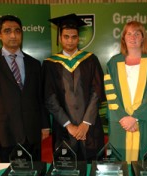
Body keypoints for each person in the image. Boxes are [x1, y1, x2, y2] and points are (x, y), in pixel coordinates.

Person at [0, 15, 50, 163]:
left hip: (32, 132)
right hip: (6, 133)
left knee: (35, 172)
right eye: (7, 31)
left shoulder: (34, 64)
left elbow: (40, 98)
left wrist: (44, 125)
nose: (13, 35)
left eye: (17, 31)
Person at [42, 13, 105, 162]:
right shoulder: (50, 64)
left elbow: (97, 91)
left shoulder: (90, 60)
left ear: (78, 38)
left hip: (89, 129)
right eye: (66, 36)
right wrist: (68, 125)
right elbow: (49, 97)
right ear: (60, 38)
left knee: (93, 170)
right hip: (64, 129)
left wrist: (85, 123)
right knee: (67, 173)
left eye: (74, 37)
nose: (70, 41)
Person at [104, 21, 147, 163]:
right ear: (123, 38)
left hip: (145, 121)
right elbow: (111, 95)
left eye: (137, 33)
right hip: (120, 122)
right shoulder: (113, 63)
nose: (133, 37)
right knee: (119, 166)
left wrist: (135, 117)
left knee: (146, 163)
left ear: (143, 38)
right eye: (129, 34)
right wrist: (125, 118)